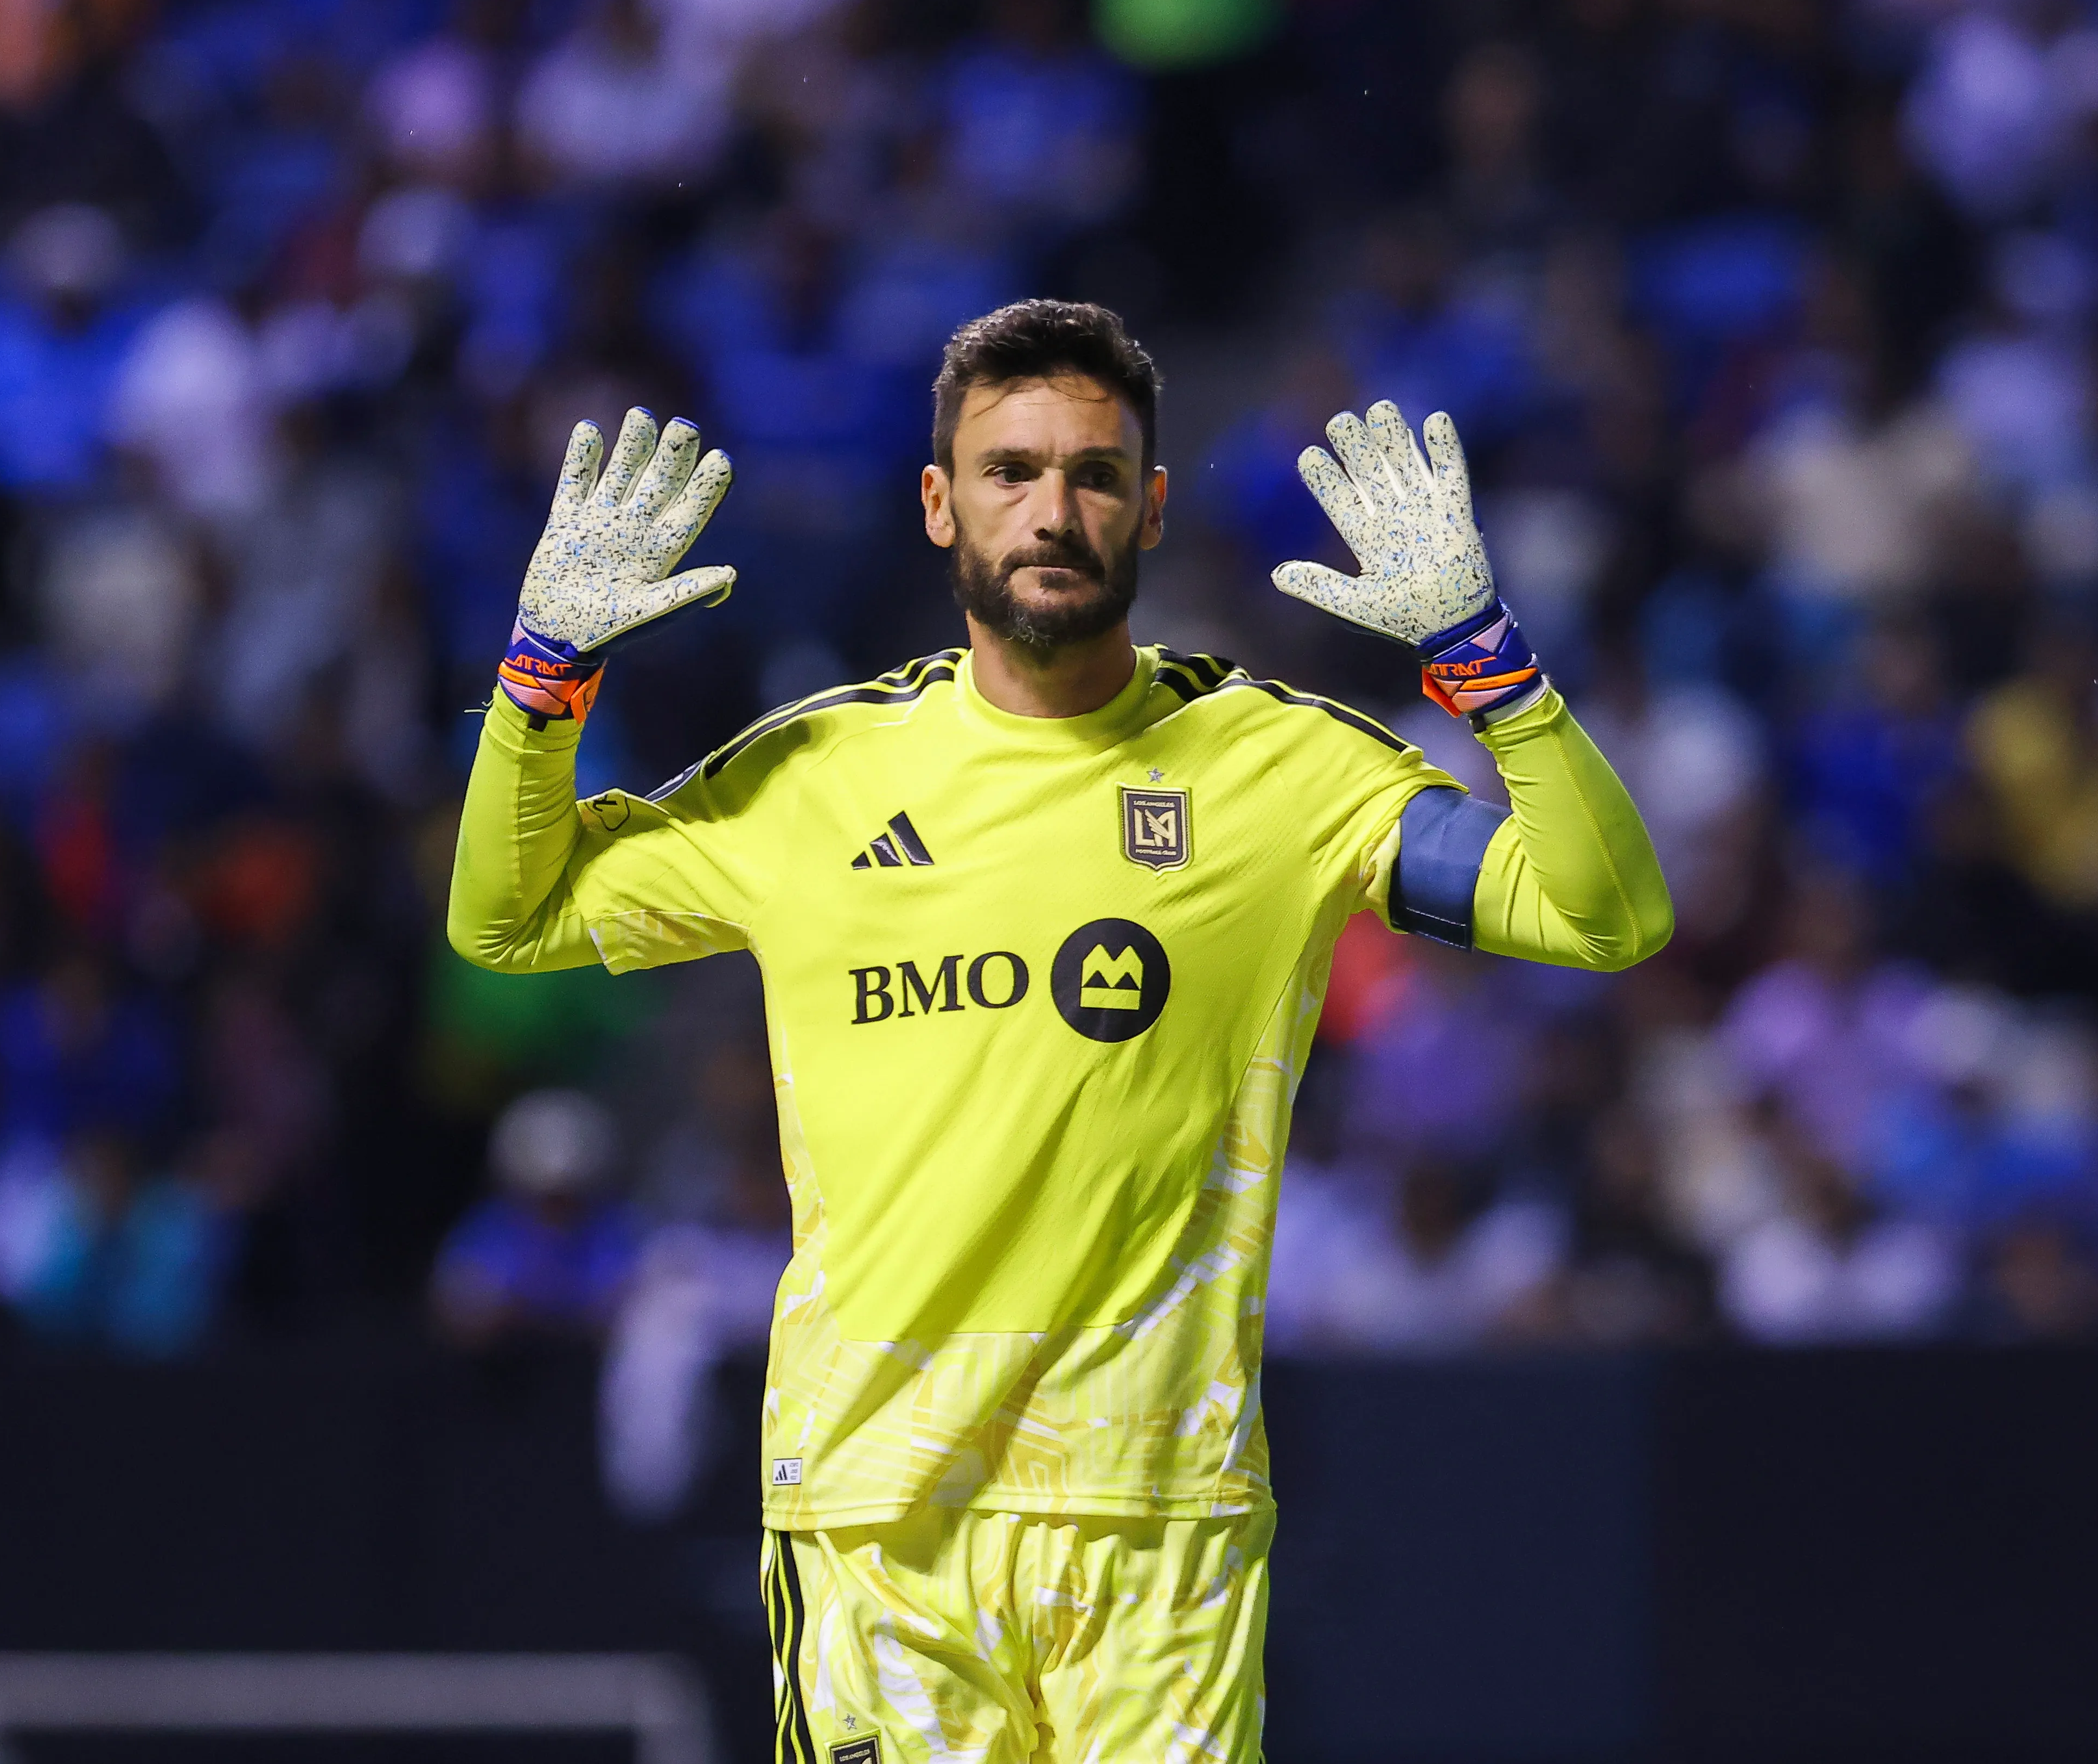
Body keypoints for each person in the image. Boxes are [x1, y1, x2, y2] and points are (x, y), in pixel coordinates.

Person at [449, 299, 1670, 1763]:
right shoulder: (812, 779)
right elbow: (505, 922)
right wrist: (542, 679)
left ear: (1152, 510)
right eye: (1010, 469)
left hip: (1157, 1520)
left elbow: (1606, 914)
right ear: (937, 504)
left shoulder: (1277, 770)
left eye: (1095, 474)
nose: (1052, 510)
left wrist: (1486, 661)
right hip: (880, 1525)